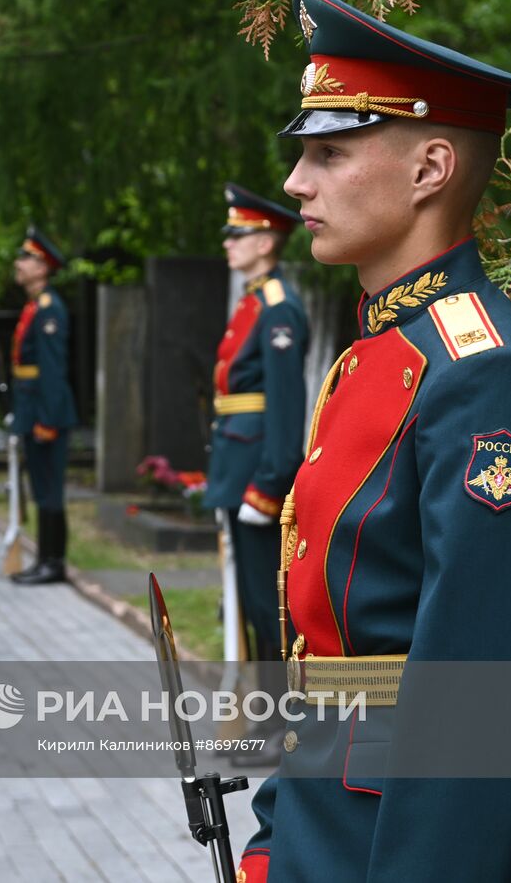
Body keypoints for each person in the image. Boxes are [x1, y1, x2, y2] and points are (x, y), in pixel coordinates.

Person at [236, 0, 511, 883]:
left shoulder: (487, 374)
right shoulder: (377, 353)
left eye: (329, 152)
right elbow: (328, 655)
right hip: (331, 818)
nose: (296, 182)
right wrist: (275, 832)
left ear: (430, 168)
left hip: (420, 843)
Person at [206, 183, 309, 757]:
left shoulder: (278, 308)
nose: (228, 242)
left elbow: (286, 408)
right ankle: (265, 721)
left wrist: (269, 484)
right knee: (250, 603)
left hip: (256, 479)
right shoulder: (251, 302)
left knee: (273, 613)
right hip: (236, 470)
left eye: (237, 233)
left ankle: (281, 728)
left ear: (266, 240)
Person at [9, 227, 78, 585]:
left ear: (43, 267)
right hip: (32, 407)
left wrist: (47, 419)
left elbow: (52, 371)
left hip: (45, 412)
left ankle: (53, 562)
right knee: (42, 489)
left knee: (50, 490)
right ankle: (46, 558)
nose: (18, 265)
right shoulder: (36, 306)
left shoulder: (50, 309)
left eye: (26, 258)